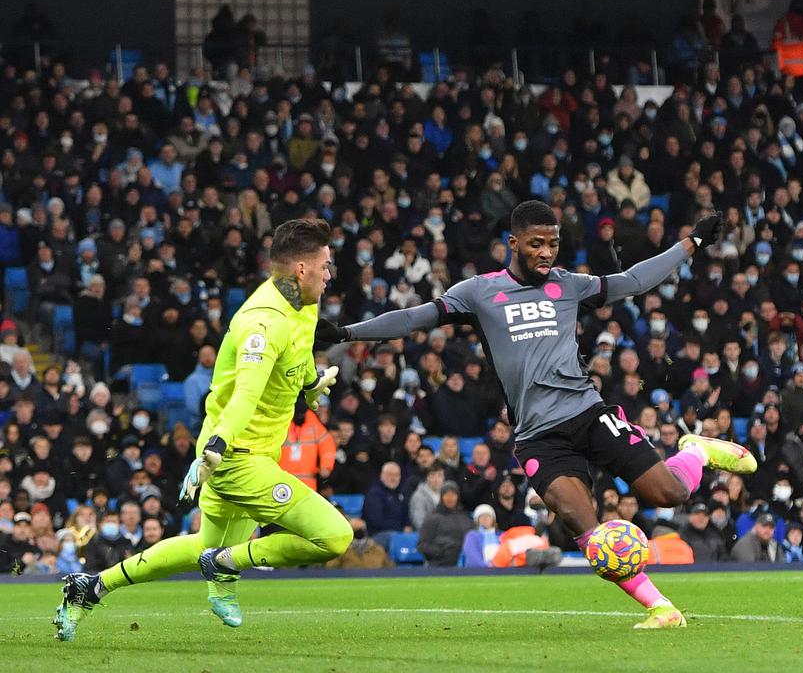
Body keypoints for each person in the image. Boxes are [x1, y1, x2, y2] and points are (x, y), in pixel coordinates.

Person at [319, 201, 757, 629]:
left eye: (553, 243)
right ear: (514, 243)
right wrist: (346, 332)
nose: (546, 252)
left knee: (670, 495)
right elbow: (416, 318)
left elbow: (633, 281)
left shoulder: (569, 286)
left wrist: (692, 242)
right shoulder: (480, 292)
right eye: (536, 244)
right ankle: (661, 608)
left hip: (588, 413)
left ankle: (695, 452)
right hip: (538, 438)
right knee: (587, 529)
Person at [54, 219, 351, 641]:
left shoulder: (304, 305)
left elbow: (296, 356)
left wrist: (310, 385)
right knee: (335, 536)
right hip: (233, 457)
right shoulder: (263, 322)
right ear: (301, 269)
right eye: (324, 264)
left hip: (257, 451)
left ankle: (92, 588)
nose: (329, 273)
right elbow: (245, 393)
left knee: (199, 547)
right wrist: (216, 447)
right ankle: (227, 565)